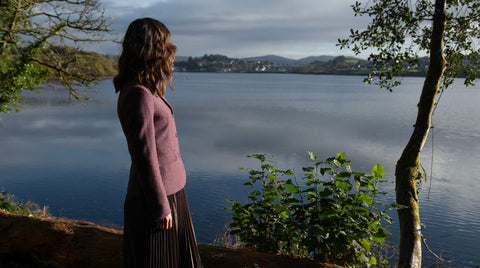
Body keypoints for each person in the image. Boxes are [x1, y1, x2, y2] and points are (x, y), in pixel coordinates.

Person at [114, 18, 202, 268]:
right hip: (155, 200)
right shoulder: (137, 94)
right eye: (166, 45)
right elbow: (144, 155)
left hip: (172, 192)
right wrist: (160, 206)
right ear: (151, 49)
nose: (170, 51)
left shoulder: (145, 89)